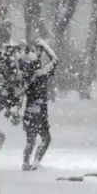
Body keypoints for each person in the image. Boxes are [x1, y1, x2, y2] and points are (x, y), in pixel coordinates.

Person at [21, 39, 57, 171]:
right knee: (45, 138)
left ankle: (26, 163)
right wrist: (44, 46)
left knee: (31, 140)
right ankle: (35, 161)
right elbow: (54, 59)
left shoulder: (27, 76)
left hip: (30, 112)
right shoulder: (42, 74)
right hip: (40, 112)